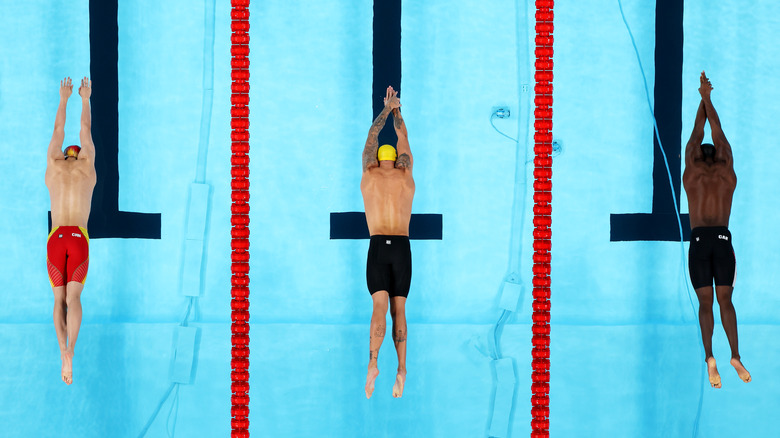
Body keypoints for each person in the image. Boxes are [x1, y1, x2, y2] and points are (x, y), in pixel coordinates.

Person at [682, 71, 750, 388]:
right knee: (726, 301)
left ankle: (710, 356)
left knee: (705, 304)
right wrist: (708, 98)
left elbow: (698, 134)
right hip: (723, 241)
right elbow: (717, 133)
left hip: (698, 242)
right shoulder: (728, 176)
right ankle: (734, 355)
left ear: (696, 156)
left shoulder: (691, 173)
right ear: (722, 157)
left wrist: (702, 98)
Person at [361, 86, 414, 399]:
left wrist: (385, 108)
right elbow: (403, 137)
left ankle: (374, 363)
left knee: (379, 307)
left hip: (378, 242)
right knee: (399, 309)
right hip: (402, 246)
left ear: (377, 160)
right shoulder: (406, 177)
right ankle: (402, 368)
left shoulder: (368, 176)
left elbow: (371, 136)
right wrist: (397, 111)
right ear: (397, 160)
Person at [45, 77, 96, 385]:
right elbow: (85, 130)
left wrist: (63, 99)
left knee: (57, 300)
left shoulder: (53, 164)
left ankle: (62, 349)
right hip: (78, 237)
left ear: (65, 154)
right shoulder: (87, 166)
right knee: (72, 299)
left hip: (56, 238)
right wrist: (85, 98)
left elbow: (57, 131)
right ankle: (69, 350)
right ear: (79, 154)